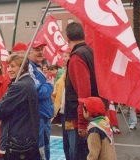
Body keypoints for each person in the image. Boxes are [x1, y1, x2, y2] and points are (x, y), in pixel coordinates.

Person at [0, 53, 40, 160]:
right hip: (26, 138)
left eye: (13, 66)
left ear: (23, 67)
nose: (9, 69)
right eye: (8, 66)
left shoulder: (18, 86)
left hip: (18, 142)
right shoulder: (28, 82)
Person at [64, 22, 99, 160]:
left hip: (85, 119)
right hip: (95, 115)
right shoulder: (91, 52)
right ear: (83, 35)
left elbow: (83, 94)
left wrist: (81, 123)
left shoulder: (77, 57)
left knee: (80, 155)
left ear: (68, 39)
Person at [27, 41, 54, 160]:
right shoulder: (29, 67)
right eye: (37, 49)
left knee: (45, 148)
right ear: (29, 52)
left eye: (42, 49)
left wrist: (46, 86)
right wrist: (50, 85)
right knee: (40, 149)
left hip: (44, 115)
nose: (41, 52)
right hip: (38, 116)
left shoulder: (37, 67)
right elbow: (37, 93)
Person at [51, 47, 75, 160]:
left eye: (65, 56)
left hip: (73, 116)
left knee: (73, 149)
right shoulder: (64, 74)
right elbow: (55, 94)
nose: (63, 58)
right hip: (64, 115)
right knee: (67, 147)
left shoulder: (74, 73)